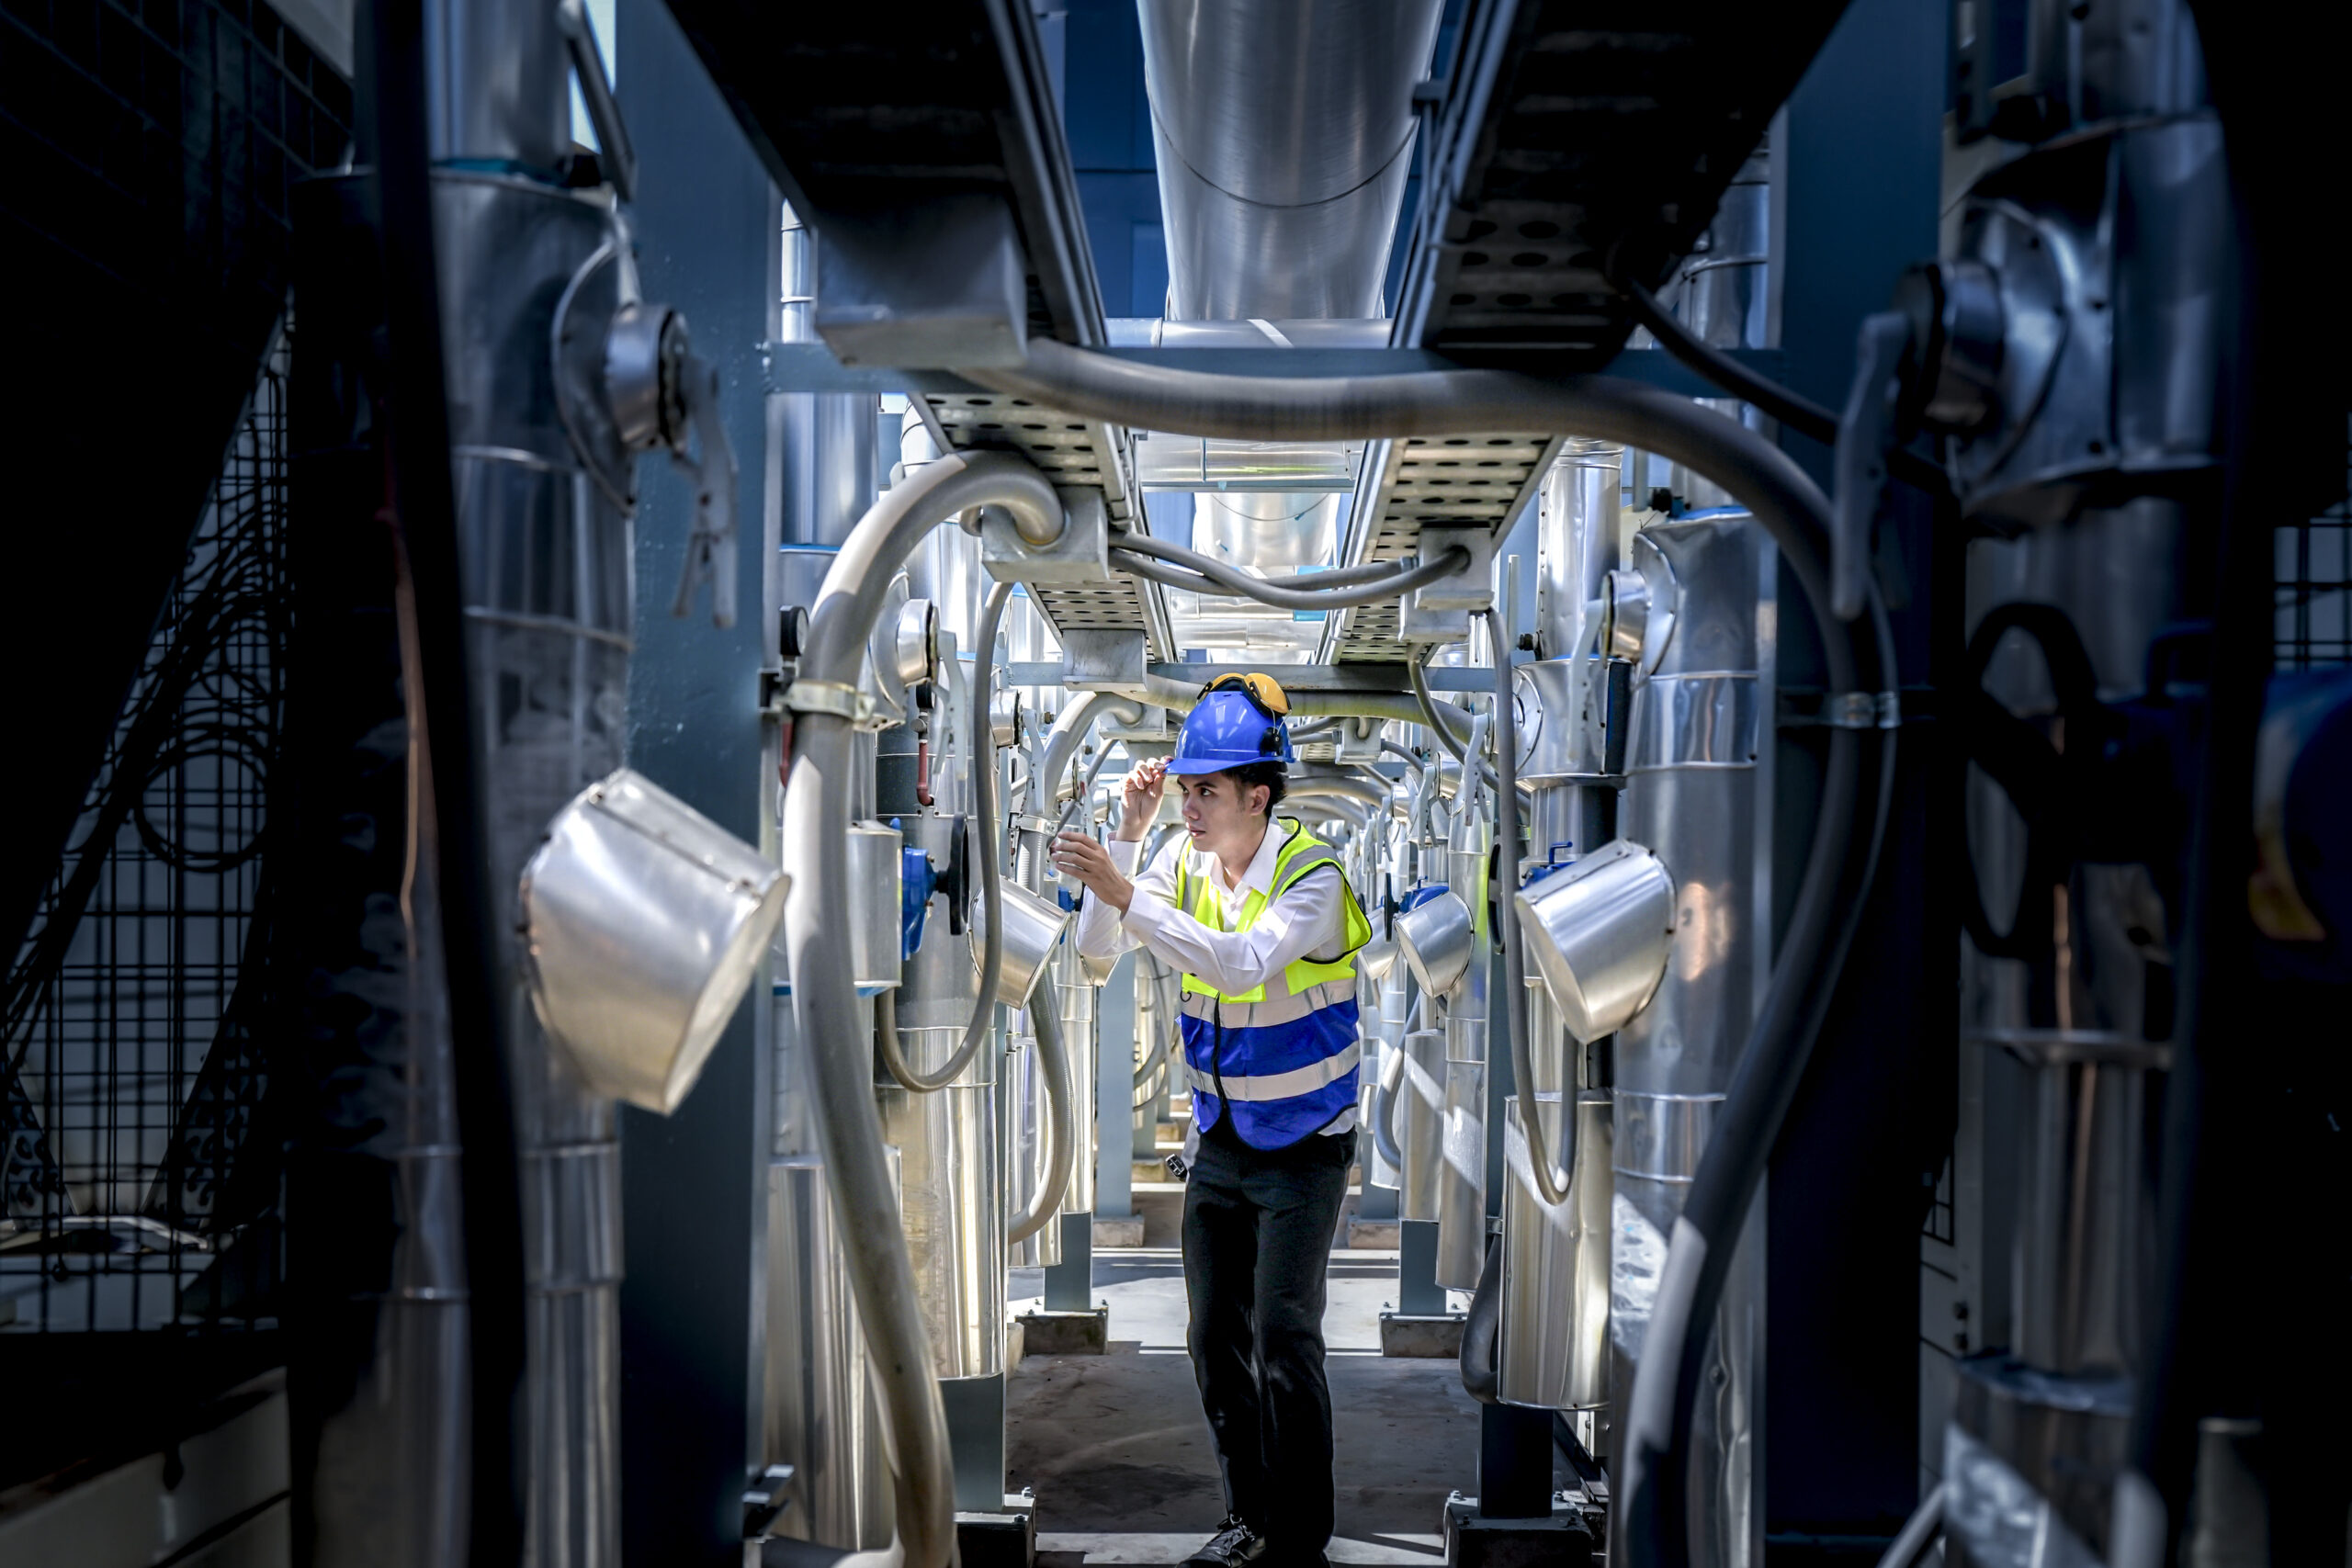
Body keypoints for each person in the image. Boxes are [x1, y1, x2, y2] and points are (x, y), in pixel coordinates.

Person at [1051, 673, 1372, 1568]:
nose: (1189, 804)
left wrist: (1124, 887)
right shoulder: (1179, 865)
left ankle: (1298, 1539)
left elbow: (1240, 965)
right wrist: (1128, 837)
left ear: (1256, 796)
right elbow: (1094, 957)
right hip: (1221, 1145)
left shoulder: (1312, 876)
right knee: (1211, 1338)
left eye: (1206, 790)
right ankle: (1250, 1519)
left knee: (1282, 1336)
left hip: (1306, 1148)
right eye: (1184, 787)